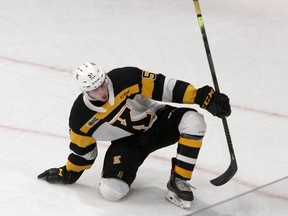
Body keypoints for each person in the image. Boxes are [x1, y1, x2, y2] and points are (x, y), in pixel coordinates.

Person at [38, 62, 231, 209]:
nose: (102, 91)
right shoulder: (80, 117)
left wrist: (201, 96)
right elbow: (83, 152)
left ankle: (178, 180)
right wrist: (68, 173)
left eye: (102, 83)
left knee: (194, 121)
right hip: (128, 144)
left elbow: (165, 87)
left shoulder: (126, 77)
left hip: (159, 122)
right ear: (85, 91)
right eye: (95, 89)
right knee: (112, 192)